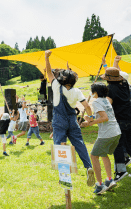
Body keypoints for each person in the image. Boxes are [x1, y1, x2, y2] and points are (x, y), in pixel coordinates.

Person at [45, 50, 95, 187]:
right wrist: (90, 118)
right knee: (80, 144)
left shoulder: (56, 86)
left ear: (62, 79)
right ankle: (88, 167)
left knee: (60, 147)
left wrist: (46, 58)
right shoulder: (77, 91)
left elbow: (49, 72)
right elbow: (87, 106)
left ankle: (65, 177)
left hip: (59, 120)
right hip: (73, 120)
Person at [101, 55, 131, 181]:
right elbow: (115, 72)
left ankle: (120, 171)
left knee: (117, 145)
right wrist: (112, 63)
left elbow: (107, 106)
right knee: (130, 145)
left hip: (121, 121)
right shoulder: (125, 84)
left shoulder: (110, 90)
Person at [81, 83, 121, 194]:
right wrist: (90, 118)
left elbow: (105, 117)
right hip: (116, 132)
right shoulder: (106, 100)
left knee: (94, 156)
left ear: (95, 92)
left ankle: (99, 185)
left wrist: (89, 123)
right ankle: (109, 180)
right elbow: (102, 116)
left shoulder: (97, 102)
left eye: (92, 91)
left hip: (107, 133)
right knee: (103, 154)